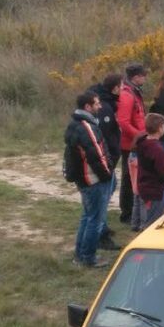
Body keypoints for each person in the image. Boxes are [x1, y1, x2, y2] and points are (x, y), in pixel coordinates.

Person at [64, 92, 113, 269]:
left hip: (84, 180)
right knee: (95, 220)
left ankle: (80, 254)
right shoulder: (87, 127)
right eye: (97, 104)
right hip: (93, 180)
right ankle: (88, 257)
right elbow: (97, 155)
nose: (100, 107)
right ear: (87, 107)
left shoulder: (75, 124)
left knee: (87, 217)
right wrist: (107, 174)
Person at [88, 73, 123, 251]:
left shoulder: (107, 103)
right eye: (122, 86)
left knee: (110, 188)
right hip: (104, 161)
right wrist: (110, 157)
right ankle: (100, 235)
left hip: (107, 159)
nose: (123, 90)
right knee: (100, 198)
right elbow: (104, 136)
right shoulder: (105, 108)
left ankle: (102, 226)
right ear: (115, 88)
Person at [116, 64, 147, 224]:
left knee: (133, 177)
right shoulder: (127, 95)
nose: (145, 78)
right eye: (143, 75)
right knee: (129, 178)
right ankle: (126, 212)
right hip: (130, 144)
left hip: (136, 141)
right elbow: (123, 121)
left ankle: (131, 211)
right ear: (135, 77)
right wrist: (140, 136)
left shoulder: (134, 91)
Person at [135, 113, 164, 228]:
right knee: (153, 224)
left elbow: (149, 161)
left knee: (146, 218)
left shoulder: (143, 143)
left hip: (144, 186)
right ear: (160, 128)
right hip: (154, 191)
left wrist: (163, 159)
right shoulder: (157, 148)